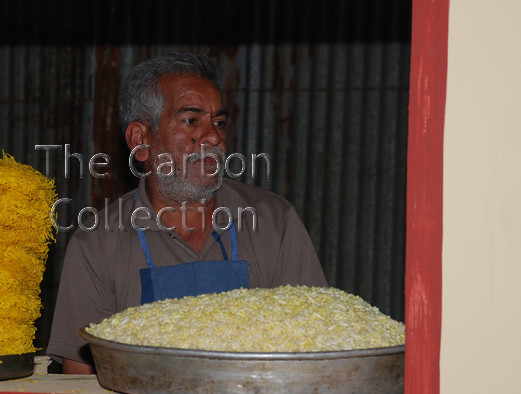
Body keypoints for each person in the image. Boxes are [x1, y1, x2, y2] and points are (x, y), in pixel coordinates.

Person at [45, 52, 327, 374]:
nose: (215, 137)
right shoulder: (99, 243)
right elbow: (80, 382)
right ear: (141, 140)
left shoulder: (274, 223)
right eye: (192, 121)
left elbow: (315, 353)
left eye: (219, 122)